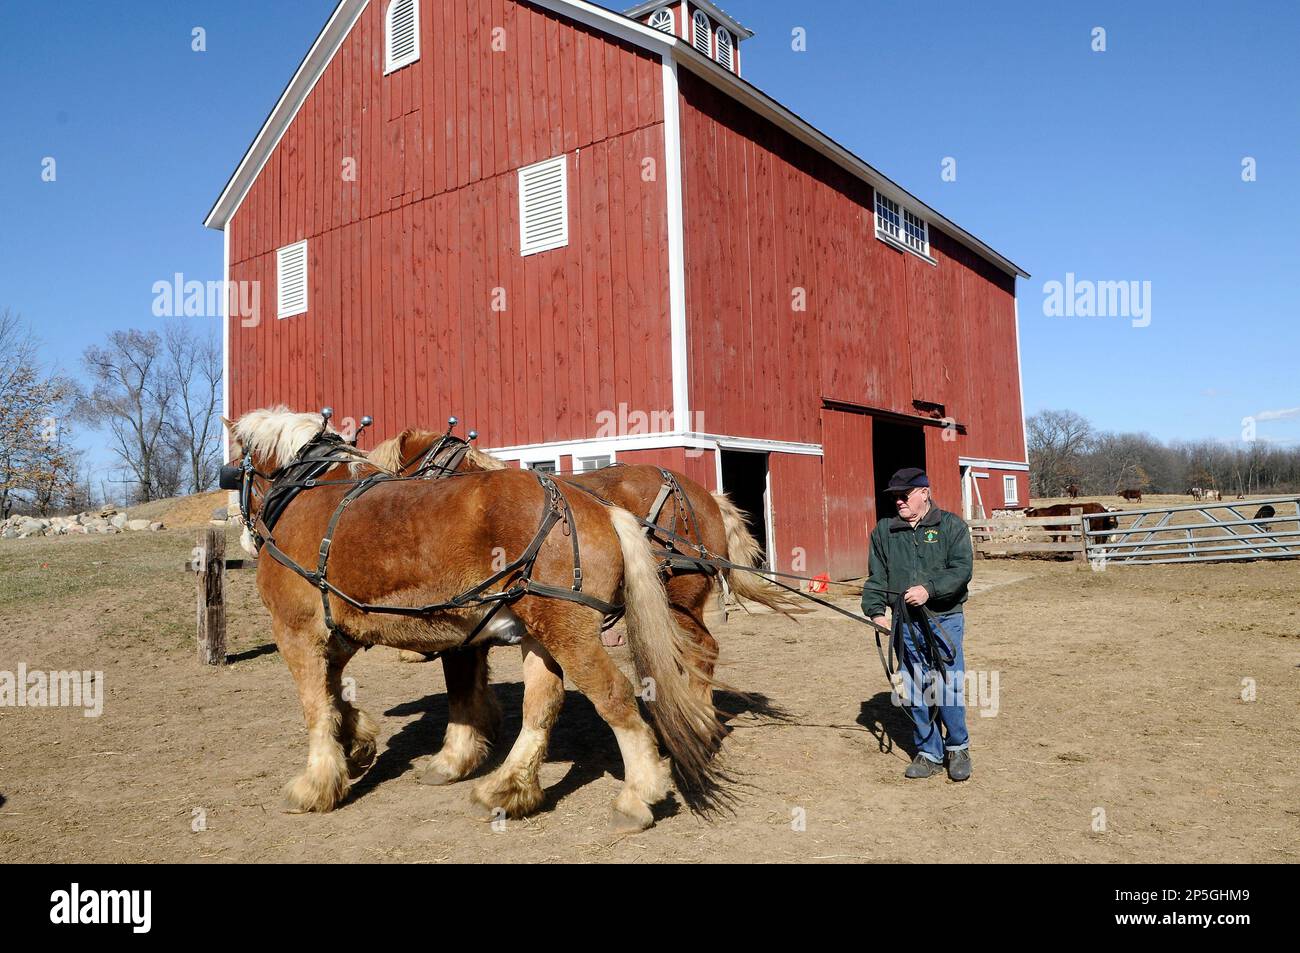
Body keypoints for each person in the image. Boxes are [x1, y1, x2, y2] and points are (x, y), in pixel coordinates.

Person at [861, 467, 974, 781]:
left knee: (947, 684)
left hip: (943, 619)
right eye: (895, 496)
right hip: (904, 623)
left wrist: (930, 590)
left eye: (904, 495)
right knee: (915, 687)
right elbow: (877, 577)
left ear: (925, 492)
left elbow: (961, 569)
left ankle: (957, 748)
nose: (898, 501)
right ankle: (929, 753)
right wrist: (876, 612)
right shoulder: (884, 532)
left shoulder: (951, 526)